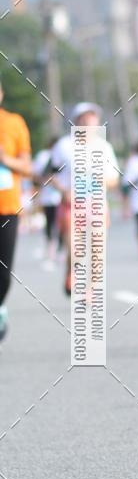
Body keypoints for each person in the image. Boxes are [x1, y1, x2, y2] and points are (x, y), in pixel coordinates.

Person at [50, 102, 119, 295]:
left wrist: (103, 181)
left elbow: (114, 179)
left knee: (97, 250)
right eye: (85, 119)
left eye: (93, 118)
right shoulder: (64, 146)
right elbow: (49, 175)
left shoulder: (104, 147)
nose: (89, 123)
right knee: (75, 249)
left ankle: (91, 290)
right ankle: (72, 270)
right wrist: (63, 190)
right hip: (71, 204)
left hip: (96, 204)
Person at [0, 81, 32, 341]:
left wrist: (6, 160)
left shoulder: (14, 123)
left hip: (6, 208)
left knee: (3, 272)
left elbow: (26, 166)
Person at [32, 137, 62, 260]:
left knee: (59, 223)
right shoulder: (43, 156)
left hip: (60, 196)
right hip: (48, 196)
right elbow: (36, 175)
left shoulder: (63, 155)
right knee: (51, 222)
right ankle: (52, 247)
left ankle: (59, 247)